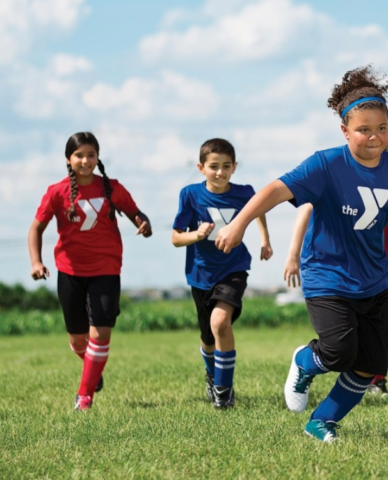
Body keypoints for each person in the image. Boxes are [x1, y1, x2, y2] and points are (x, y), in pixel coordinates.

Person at [214, 66, 388, 442]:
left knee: (369, 365)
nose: (374, 136)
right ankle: (305, 361)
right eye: (364, 129)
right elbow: (275, 190)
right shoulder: (325, 164)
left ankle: (322, 421)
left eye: (382, 128)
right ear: (344, 131)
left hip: (374, 281)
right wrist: (239, 224)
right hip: (327, 275)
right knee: (338, 352)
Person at [282, 136, 388, 398]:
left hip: (381, 266)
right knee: (342, 345)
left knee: (384, 325)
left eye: (385, 145)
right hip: (338, 268)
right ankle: (314, 364)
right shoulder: (341, 175)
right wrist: (293, 254)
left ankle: (377, 380)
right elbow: (306, 209)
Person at [28, 131, 152, 411]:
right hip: (70, 271)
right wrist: (36, 262)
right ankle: (92, 369)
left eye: (91, 155)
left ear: (98, 157)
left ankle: (84, 396)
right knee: (77, 339)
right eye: (79, 155)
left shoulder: (112, 188)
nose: (85, 161)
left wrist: (143, 224)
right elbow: (36, 228)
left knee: (101, 333)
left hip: (106, 269)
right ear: (68, 159)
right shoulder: (56, 192)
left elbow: (136, 214)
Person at [171, 138, 272, 409]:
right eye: (213, 166)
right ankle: (212, 375)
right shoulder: (190, 194)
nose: (220, 172)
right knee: (208, 339)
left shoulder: (244, 192)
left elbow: (258, 209)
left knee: (220, 323)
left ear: (234, 167)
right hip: (200, 274)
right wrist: (196, 234)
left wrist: (264, 239)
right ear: (201, 168)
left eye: (226, 166)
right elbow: (176, 238)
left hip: (233, 268)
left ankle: (224, 392)